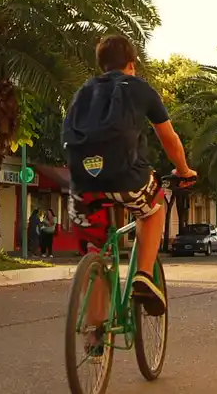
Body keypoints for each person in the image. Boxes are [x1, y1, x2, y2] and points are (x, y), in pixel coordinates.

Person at [63, 33, 197, 317]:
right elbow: (169, 139)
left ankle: (94, 334)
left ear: (101, 64)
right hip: (127, 178)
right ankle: (144, 276)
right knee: (154, 208)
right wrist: (184, 171)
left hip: (81, 185)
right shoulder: (139, 88)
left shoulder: (83, 92)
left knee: (94, 251)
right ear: (131, 64)